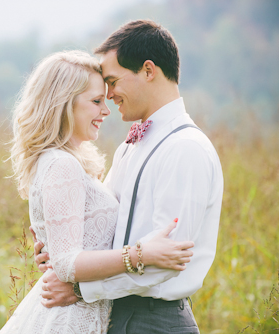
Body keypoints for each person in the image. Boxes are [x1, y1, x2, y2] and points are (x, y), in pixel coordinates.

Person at [33, 20, 224, 333]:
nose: (108, 95)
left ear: (148, 70)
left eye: (112, 81)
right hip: (117, 314)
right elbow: (104, 228)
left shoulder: (185, 149)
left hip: (154, 319)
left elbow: (166, 261)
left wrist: (81, 288)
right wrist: (58, 244)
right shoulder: (129, 146)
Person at [0, 49, 195, 334]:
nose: (106, 110)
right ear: (63, 104)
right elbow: (67, 264)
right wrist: (143, 254)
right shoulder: (61, 164)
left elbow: (70, 249)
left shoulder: (68, 162)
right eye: (96, 101)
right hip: (69, 320)